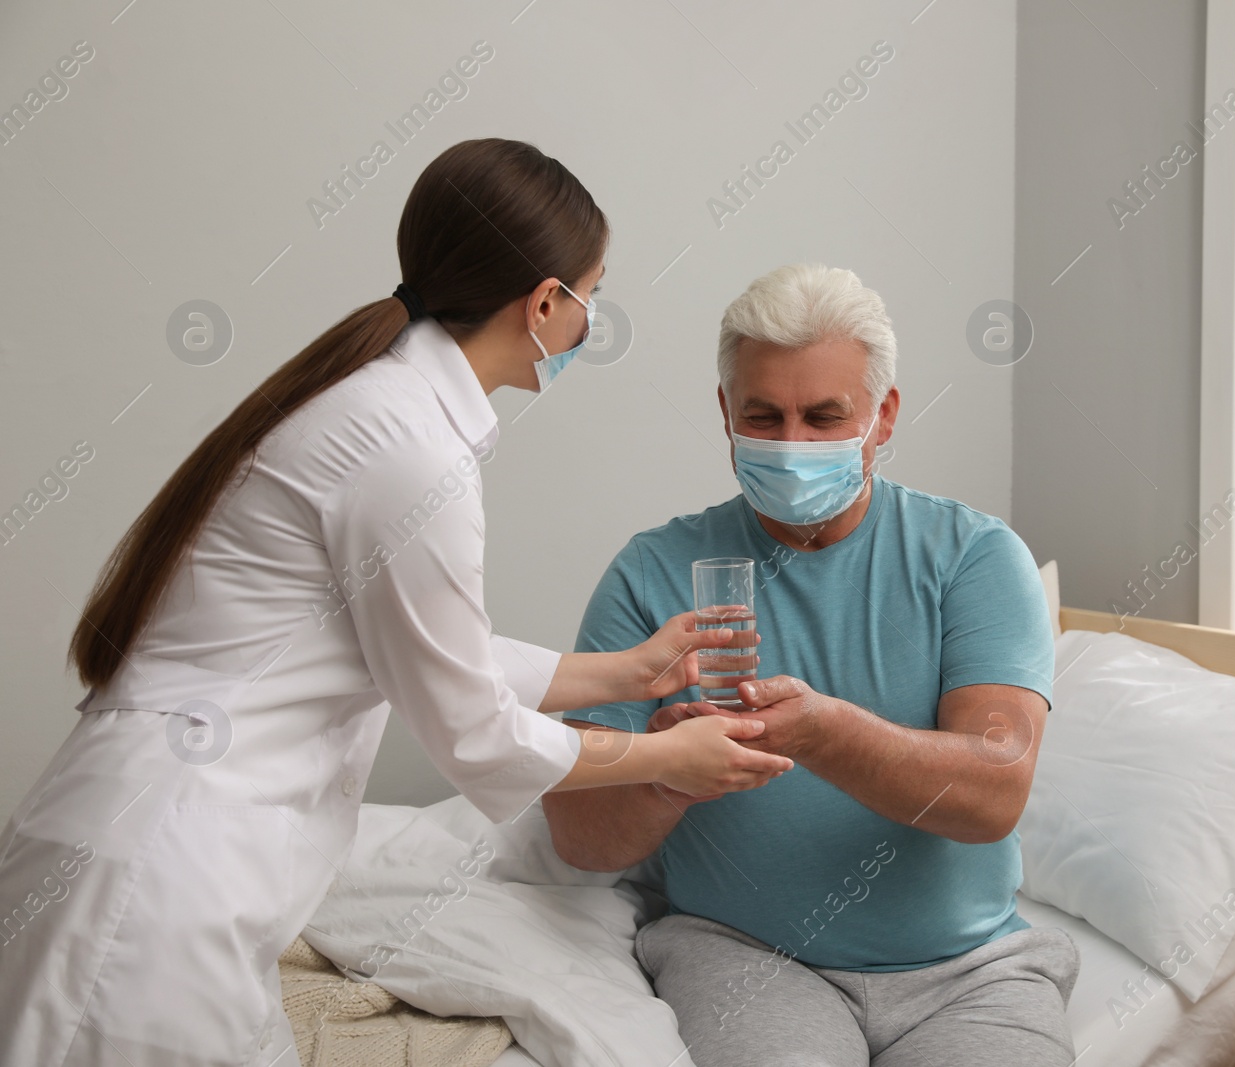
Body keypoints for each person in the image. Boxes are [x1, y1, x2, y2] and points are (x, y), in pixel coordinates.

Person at [0, 138, 791, 1067]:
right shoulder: (409, 446)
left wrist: (628, 670)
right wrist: (667, 755)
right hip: (152, 891)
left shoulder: (385, 406)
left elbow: (420, 648)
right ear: (545, 302)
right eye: (591, 296)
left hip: (161, 858)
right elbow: (473, 734)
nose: (587, 323)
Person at [544, 264, 1078, 1066]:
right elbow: (579, 836)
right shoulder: (652, 572)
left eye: (825, 416)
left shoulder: (974, 558)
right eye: (764, 416)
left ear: (883, 415)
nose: (792, 446)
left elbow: (993, 792)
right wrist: (666, 774)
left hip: (969, 973)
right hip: (744, 956)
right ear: (726, 413)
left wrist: (824, 732)